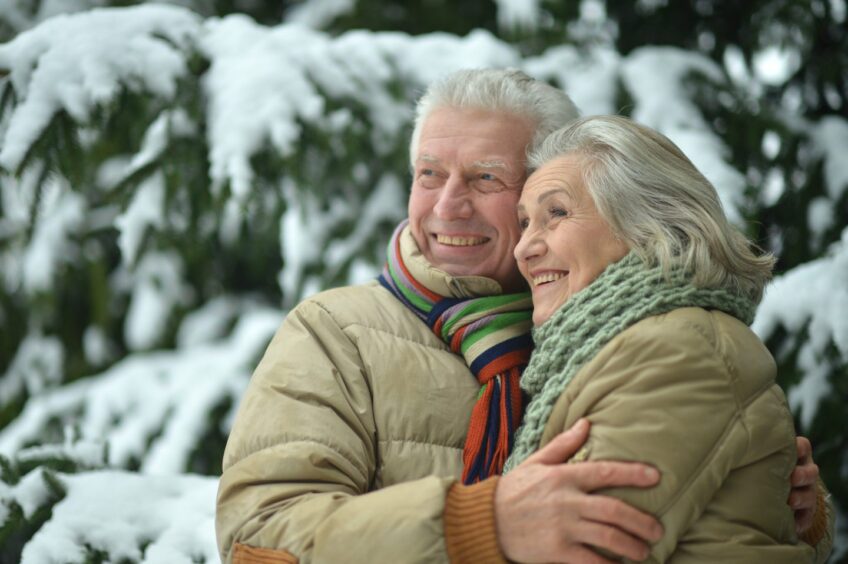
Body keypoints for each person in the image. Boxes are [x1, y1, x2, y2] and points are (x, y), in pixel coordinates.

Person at [215, 69, 829, 564]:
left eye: (487, 177)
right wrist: (474, 525)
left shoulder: (621, 328)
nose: (448, 205)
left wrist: (774, 500)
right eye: (429, 174)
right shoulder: (337, 332)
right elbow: (259, 542)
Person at [504, 114, 834, 563]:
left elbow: (579, 550)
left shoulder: (675, 349)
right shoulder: (617, 346)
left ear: (644, 223)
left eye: (556, 213)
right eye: (525, 223)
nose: (524, 247)